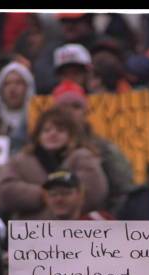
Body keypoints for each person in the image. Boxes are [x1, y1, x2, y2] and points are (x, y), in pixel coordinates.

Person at [0, 106, 108, 221]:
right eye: (46, 130)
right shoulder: (20, 161)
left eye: (60, 130)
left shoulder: (83, 157)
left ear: (72, 135)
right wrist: (43, 194)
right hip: (31, 232)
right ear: (38, 135)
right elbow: (6, 191)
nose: (52, 134)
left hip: (75, 232)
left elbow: (94, 191)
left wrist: (57, 198)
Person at [52, 80, 134, 216]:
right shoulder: (41, 148)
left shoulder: (104, 149)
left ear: (85, 112)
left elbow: (123, 189)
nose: (69, 112)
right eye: (63, 106)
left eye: (76, 106)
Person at [0, 61, 35, 156]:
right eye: (7, 84)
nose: (12, 88)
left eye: (18, 82)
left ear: (28, 87)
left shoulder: (36, 122)